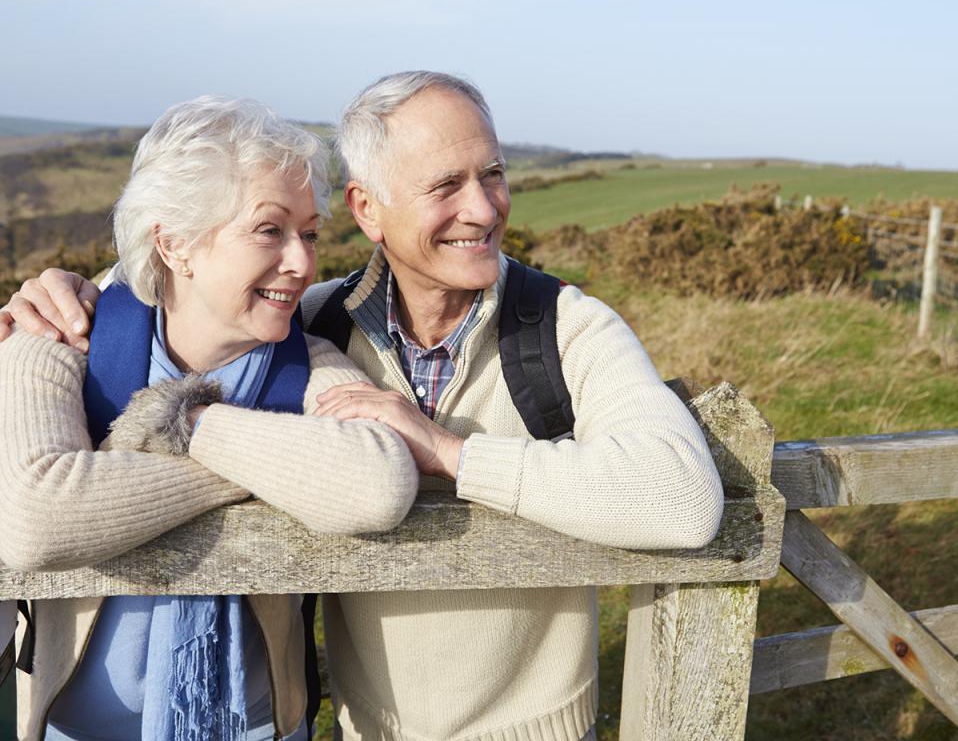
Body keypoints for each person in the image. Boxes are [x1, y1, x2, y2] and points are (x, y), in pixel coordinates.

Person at [1, 72, 725, 741]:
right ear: (368, 209)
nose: (483, 207)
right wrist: (64, 291)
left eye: (494, 175)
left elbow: (683, 499)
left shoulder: (562, 329)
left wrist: (449, 454)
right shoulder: (316, 320)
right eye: (446, 184)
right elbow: (183, 307)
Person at [0, 96, 418, 741]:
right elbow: (34, 517)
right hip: (76, 730)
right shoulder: (58, 341)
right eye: (268, 230)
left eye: (308, 233)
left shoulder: (306, 361)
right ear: (174, 244)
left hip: (261, 729)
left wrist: (191, 427)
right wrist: (265, 471)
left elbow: (376, 484)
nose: (302, 263)